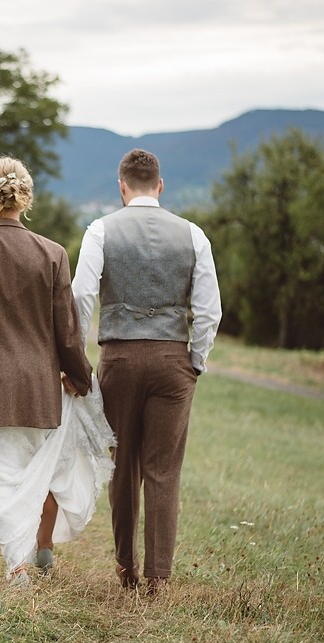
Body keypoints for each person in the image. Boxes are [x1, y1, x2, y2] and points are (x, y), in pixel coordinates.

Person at [0, 156, 106, 585]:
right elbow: (67, 333)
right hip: (36, 386)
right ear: (24, 196)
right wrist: (80, 378)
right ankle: (34, 554)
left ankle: (18, 564)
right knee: (34, 474)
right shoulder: (52, 254)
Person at [71, 149, 222, 593]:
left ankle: (125, 568)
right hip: (173, 360)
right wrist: (195, 359)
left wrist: (79, 360)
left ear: (122, 187)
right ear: (160, 186)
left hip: (118, 357)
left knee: (124, 466)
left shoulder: (100, 230)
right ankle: (158, 578)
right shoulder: (193, 235)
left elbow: (81, 297)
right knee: (163, 469)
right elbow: (209, 310)